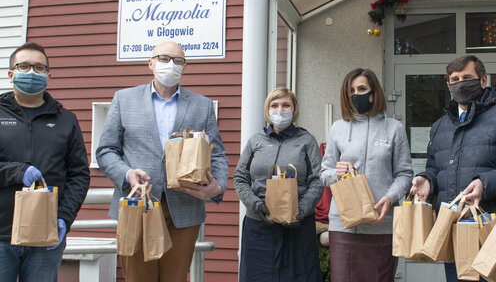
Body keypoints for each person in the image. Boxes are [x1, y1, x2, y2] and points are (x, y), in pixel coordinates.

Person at [96, 41, 228, 282]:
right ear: (151, 63)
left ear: (184, 67)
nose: (171, 65)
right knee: (138, 278)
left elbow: (216, 152)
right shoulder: (123, 99)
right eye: (164, 59)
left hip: (184, 207)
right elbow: (106, 150)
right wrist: (126, 174)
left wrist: (217, 187)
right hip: (138, 204)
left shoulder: (202, 104)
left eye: (178, 61)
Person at [410, 55, 496, 282]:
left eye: (467, 77)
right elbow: (434, 168)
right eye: (454, 79)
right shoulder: (440, 126)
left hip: (492, 234)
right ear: (448, 85)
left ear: (483, 80)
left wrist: (485, 183)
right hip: (453, 233)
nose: (460, 83)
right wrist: (427, 179)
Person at [0, 42, 90, 281]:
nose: (32, 72)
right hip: (1, 237)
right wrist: (17, 172)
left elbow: (79, 175)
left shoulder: (66, 120)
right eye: (24, 66)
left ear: (49, 76)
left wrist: (64, 218)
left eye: (39, 68)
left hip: (46, 235)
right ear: (11, 74)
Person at [320, 68, 414, 282]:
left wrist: (390, 197)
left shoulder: (394, 128)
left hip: (380, 225)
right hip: (344, 225)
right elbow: (324, 173)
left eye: (361, 89)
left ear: (374, 93)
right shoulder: (338, 128)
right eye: (351, 90)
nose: (356, 94)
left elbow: (405, 174)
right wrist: (336, 172)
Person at [234, 87, 323, 282]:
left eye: (285, 105)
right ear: (267, 109)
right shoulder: (255, 141)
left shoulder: (306, 141)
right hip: (259, 226)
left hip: (297, 227)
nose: (280, 110)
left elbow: (317, 179)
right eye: (274, 105)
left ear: (294, 109)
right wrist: (256, 205)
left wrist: (301, 209)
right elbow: (240, 177)